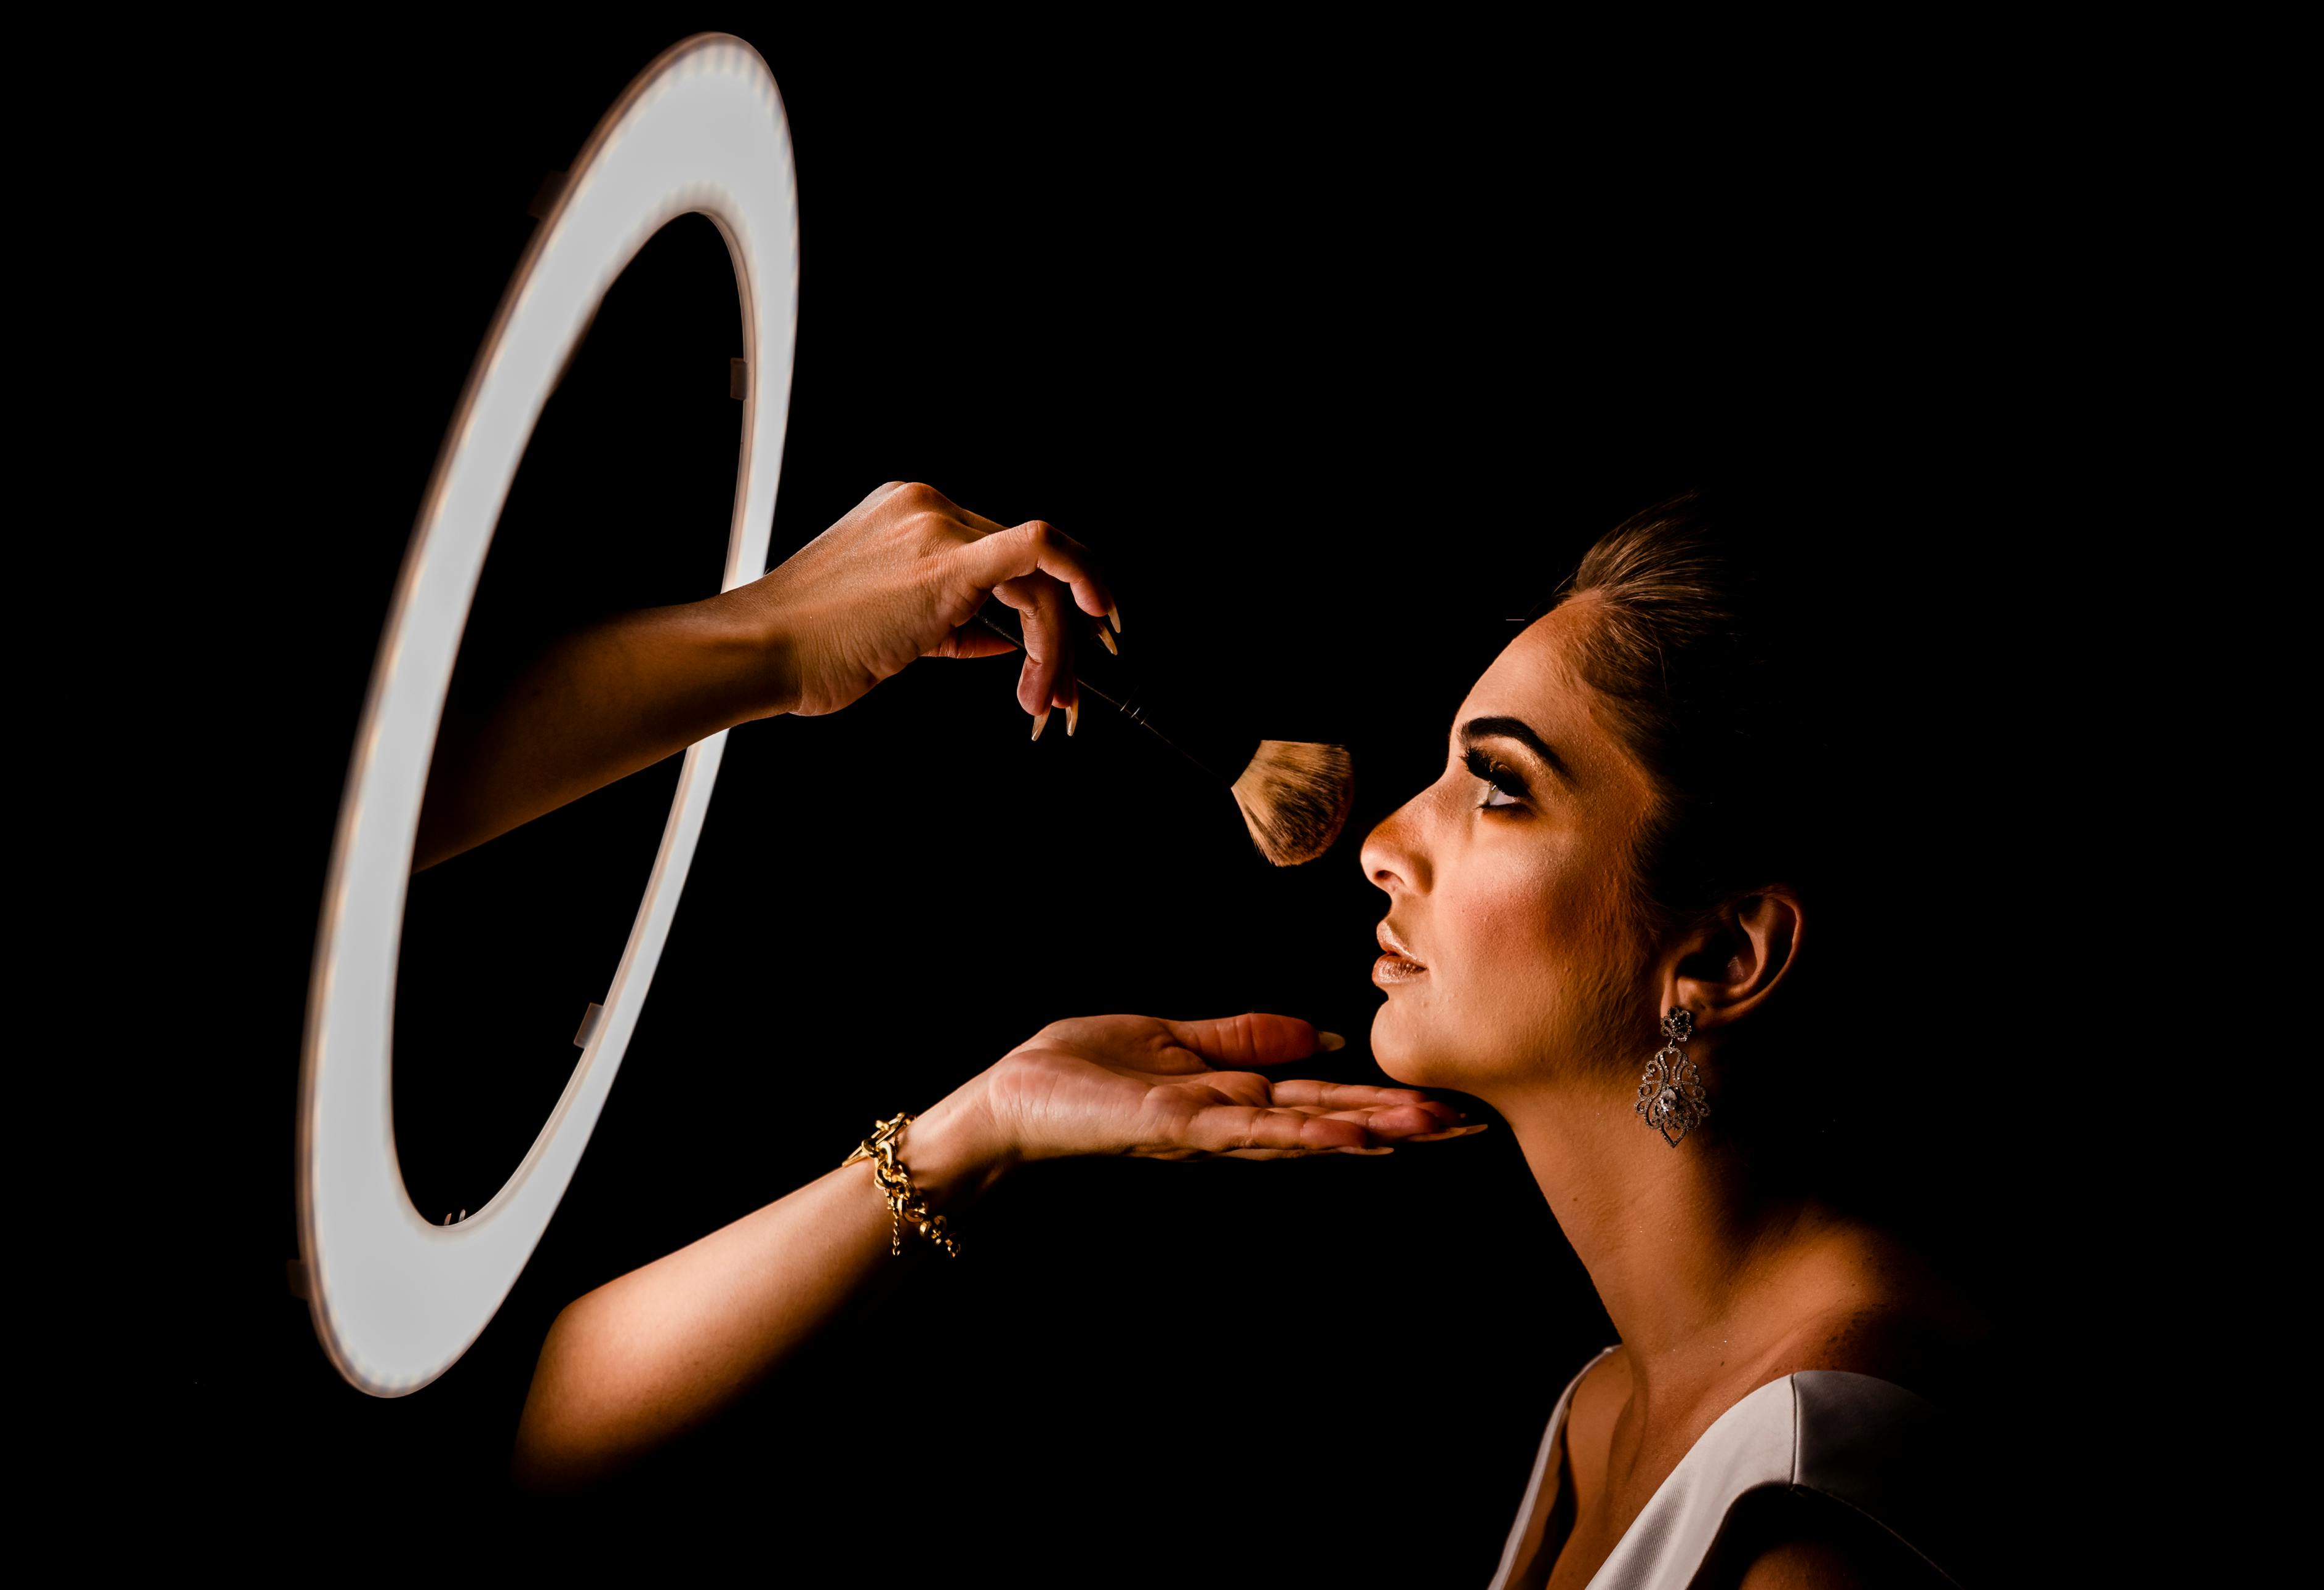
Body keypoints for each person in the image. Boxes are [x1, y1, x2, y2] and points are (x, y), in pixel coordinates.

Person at [481, 483, 1979, 1587]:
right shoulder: (1610, 1404)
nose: (1384, 838)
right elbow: (524, 1449)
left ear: (1721, 950)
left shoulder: (1811, 1526)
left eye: (1499, 786)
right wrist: (984, 1121)